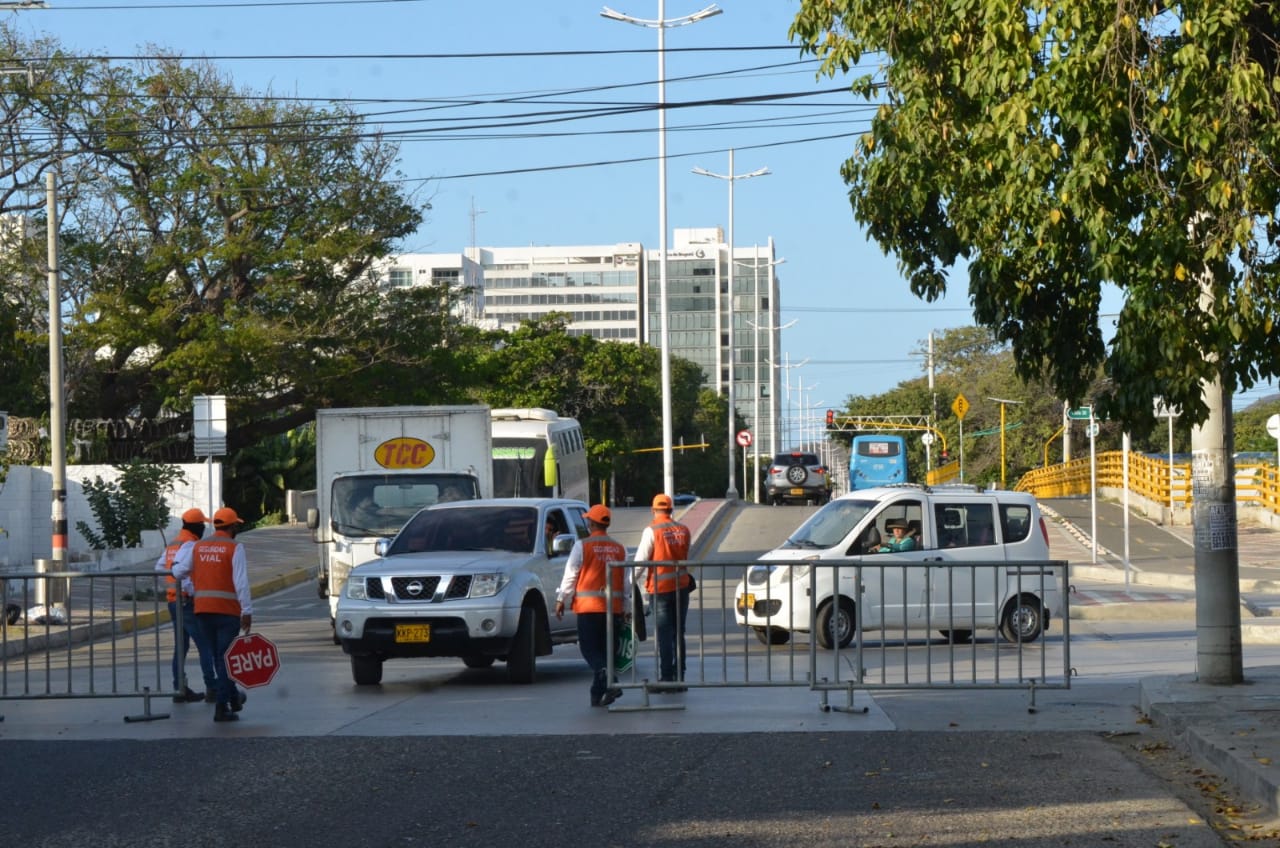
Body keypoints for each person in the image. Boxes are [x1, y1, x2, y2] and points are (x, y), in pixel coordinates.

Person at [173, 506, 253, 723]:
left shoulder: (198, 546)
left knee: (219, 657)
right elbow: (241, 582)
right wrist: (247, 611)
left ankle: (233, 698)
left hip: (202, 611)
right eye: (237, 524)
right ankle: (222, 706)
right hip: (227, 612)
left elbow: (178, 571)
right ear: (233, 526)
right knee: (225, 658)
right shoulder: (234, 547)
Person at [554, 504, 629, 707]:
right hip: (612, 609)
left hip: (589, 608)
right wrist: (627, 609)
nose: (587, 522)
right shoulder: (619, 548)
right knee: (605, 653)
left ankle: (607, 678)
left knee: (589, 649)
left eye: (589, 520)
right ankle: (597, 695)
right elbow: (625, 584)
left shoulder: (582, 545)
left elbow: (571, 574)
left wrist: (561, 598)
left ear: (592, 523)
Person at [154, 507, 217, 704]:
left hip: (174, 601)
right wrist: (188, 588)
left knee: (180, 647)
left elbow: (159, 568)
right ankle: (212, 687)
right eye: (202, 525)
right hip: (187, 602)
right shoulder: (190, 545)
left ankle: (178, 688)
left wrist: (172, 584)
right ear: (196, 526)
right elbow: (184, 572)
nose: (203, 529)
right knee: (204, 644)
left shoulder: (174, 544)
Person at [634, 493, 693, 689]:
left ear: (653, 510)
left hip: (660, 590)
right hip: (682, 587)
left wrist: (628, 586)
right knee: (678, 633)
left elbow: (640, 562)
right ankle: (679, 676)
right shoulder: (683, 530)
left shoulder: (651, 531)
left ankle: (667, 677)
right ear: (671, 510)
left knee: (664, 634)